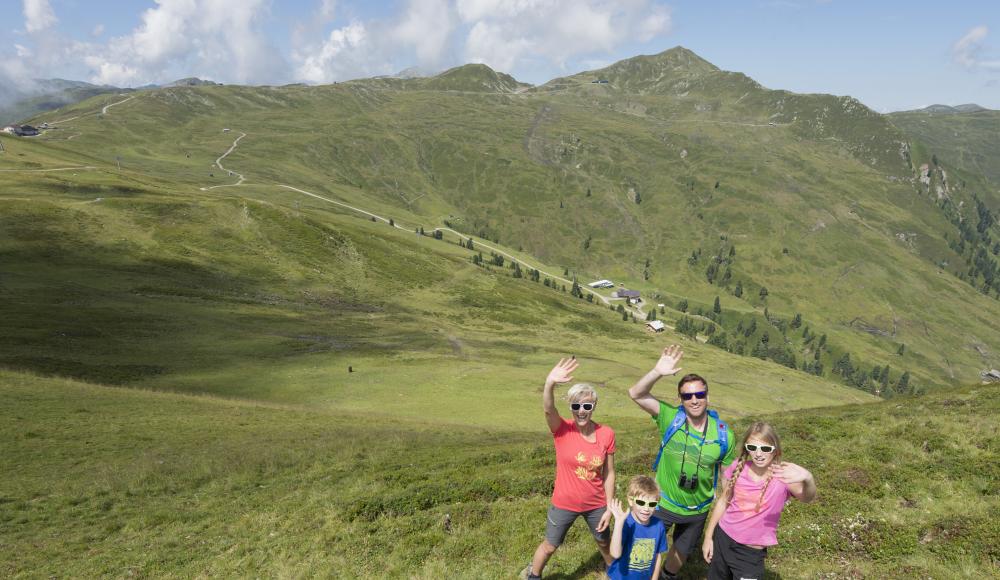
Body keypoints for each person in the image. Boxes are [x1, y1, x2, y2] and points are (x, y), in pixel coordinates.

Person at [628, 345, 736, 579]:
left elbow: (728, 483)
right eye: (687, 395)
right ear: (680, 399)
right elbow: (636, 393)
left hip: (697, 510)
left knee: (680, 554)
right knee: (643, 551)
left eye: (699, 394)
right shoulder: (670, 417)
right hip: (662, 504)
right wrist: (657, 371)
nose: (694, 400)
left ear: (708, 396)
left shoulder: (724, 434)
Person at [523, 357, 617, 580]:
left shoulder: (607, 434)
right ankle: (533, 575)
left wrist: (609, 507)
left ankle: (615, 574)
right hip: (564, 503)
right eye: (576, 406)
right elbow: (548, 410)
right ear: (571, 407)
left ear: (594, 406)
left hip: (596, 504)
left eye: (587, 405)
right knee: (550, 546)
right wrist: (550, 383)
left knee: (604, 543)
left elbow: (609, 473)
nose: (581, 411)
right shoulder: (562, 429)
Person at [702, 422, 817, 580]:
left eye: (765, 448)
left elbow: (807, 498)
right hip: (723, 539)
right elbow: (723, 502)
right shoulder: (738, 467)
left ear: (775, 450)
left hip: (750, 555)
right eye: (752, 447)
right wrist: (708, 537)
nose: (758, 454)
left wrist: (808, 478)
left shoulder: (783, 476)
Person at [607, 475, 669, 580]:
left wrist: (654, 578)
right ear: (631, 501)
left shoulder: (658, 526)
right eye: (641, 502)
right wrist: (618, 523)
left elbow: (658, 555)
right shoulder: (626, 523)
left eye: (652, 504)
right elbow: (615, 554)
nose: (646, 508)